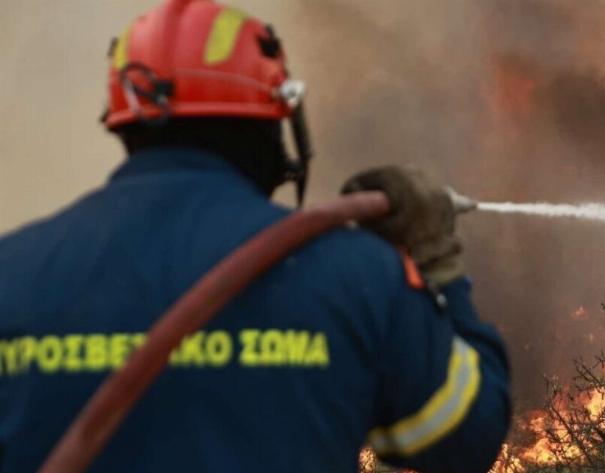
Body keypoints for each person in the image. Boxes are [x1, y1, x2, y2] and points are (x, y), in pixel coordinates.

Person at [0, 1, 511, 472]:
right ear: (271, 122)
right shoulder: (357, 276)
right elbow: (467, 438)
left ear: (124, 125)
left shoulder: (13, 276)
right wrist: (436, 260)